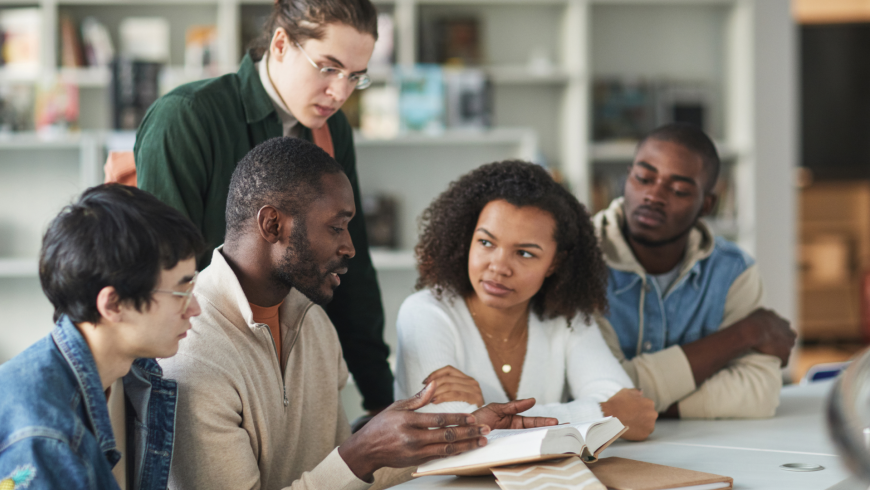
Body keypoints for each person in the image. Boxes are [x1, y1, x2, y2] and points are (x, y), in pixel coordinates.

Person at [159, 137, 557, 490]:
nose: (349, 247)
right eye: (337, 227)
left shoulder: (312, 320)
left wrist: (466, 433)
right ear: (272, 224)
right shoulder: (192, 353)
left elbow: (340, 476)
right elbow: (350, 464)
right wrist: (362, 452)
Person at [134, 0, 392, 415]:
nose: (340, 92)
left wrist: (382, 400)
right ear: (281, 44)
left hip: (293, 359)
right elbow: (164, 278)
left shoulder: (331, 129)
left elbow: (351, 266)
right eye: (328, 68)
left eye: (355, 77)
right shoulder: (187, 117)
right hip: (199, 367)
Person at [394, 160, 658, 441]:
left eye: (524, 253)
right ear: (467, 238)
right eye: (486, 242)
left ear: (554, 263)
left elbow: (633, 415)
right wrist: (600, 412)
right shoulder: (424, 312)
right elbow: (453, 435)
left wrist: (486, 413)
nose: (499, 267)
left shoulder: (565, 317)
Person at [0, 184, 205, 489]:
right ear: (113, 304)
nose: (196, 308)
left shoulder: (136, 374)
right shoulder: (43, 434)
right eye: (181, 292)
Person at [594, 122, 797, 419]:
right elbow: (603, 391)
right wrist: (745, 333)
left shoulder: (733, 271)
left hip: (702, 443)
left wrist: (640, 408)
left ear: (707, 205)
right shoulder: (580, 259)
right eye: (643, 178)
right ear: (628, 177)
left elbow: (759, 391)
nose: (653, 195)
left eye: (679, 190)